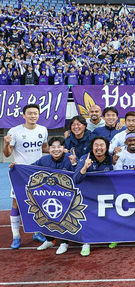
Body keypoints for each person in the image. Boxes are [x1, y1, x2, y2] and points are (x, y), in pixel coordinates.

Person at [9, 136, 77, 254]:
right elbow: (29, 168)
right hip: (49, 195)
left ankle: (64, 242)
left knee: (65, 217)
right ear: (49, 148)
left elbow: (79, 175)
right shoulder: (43, 160)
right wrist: (16, 167)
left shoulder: (70, 158)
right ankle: (50, 240)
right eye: (53, 147)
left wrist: (75, 164)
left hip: (66, 197)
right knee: (47, 216)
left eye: (59, 147)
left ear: (64, 148)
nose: (56, 150)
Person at [4, 103, 49, 249]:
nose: (33, 116)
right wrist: (6, 144)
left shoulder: (43, 130)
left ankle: (37, 232)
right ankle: (16, 236)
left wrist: (61, 148)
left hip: (37, 172)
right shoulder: (15, 131)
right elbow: (7, 153)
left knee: (37, 202)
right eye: (30, 113)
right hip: (20, 173)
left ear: (38, 115)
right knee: (16, 203)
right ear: (23, 115)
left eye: (35, 113)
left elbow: (44, 148)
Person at [73, 136, 114, 256]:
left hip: (107, 195)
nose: (99, 148)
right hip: (89, 196)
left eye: (102, 145)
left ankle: (112, 236)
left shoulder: (112, 159)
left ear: (106, 148)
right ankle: (86, 243)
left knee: (112, 215)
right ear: (92, 147)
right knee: (87, 219)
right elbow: (76, 179)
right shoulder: (85, 158)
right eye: (96, 145)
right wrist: (85, 168)